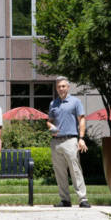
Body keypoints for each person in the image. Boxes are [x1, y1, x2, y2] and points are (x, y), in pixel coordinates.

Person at [47, 77, 90, 208]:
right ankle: (65, 200)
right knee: (59, 172)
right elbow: (49, 121)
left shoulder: (75, 102)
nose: (61, 89)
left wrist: (81, 138)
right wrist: (51, 127)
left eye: (63, 86)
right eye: (58, 87)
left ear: (68, 87)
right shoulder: (53, 103)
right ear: (56, 88)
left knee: (75, 170)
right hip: (56, 142)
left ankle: (82, 199)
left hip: (71, 140)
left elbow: (82, 119)